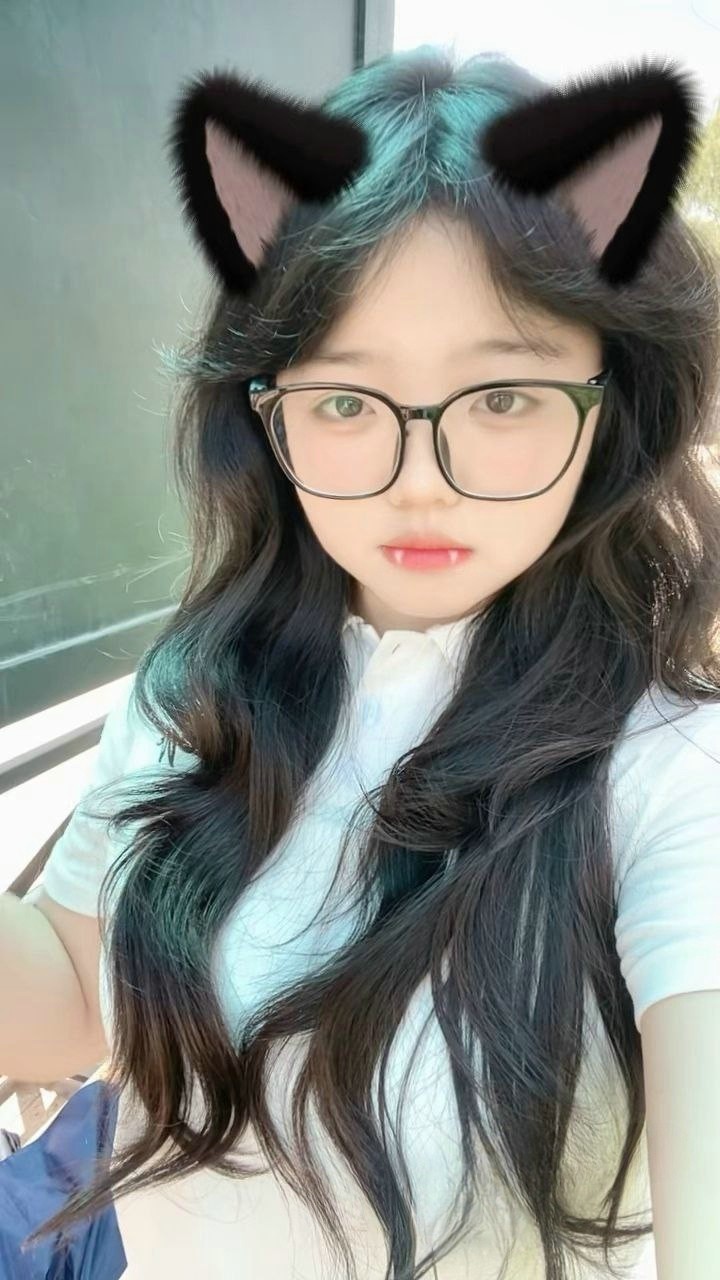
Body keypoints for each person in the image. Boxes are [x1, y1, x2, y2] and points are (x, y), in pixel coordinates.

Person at [21, 43, 720, 1280]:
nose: (420, 481)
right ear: (268, 413)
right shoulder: (196, 685)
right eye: (346, 401)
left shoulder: (672, 769)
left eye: (502, 397)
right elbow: (80, 989)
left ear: (610, 397)